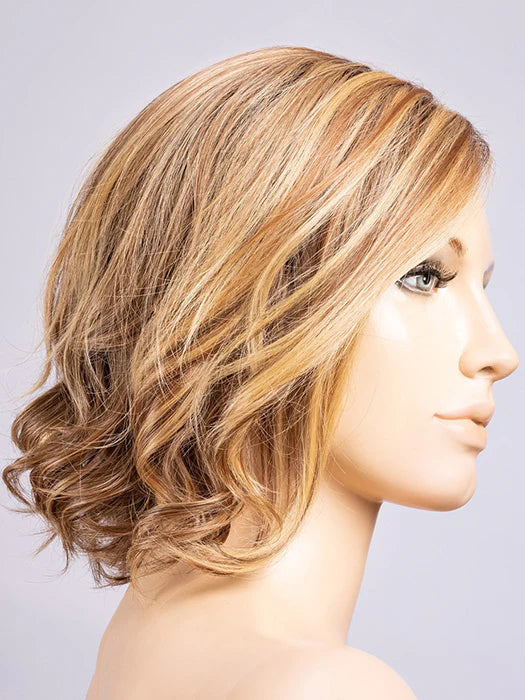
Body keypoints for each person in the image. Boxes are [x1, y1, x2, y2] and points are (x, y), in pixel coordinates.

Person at [3, 45, 519, 699]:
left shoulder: (143, 638)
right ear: (253, 296)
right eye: (424, 277)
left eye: (480, 285)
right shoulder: (325, 687)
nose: (498, 351)